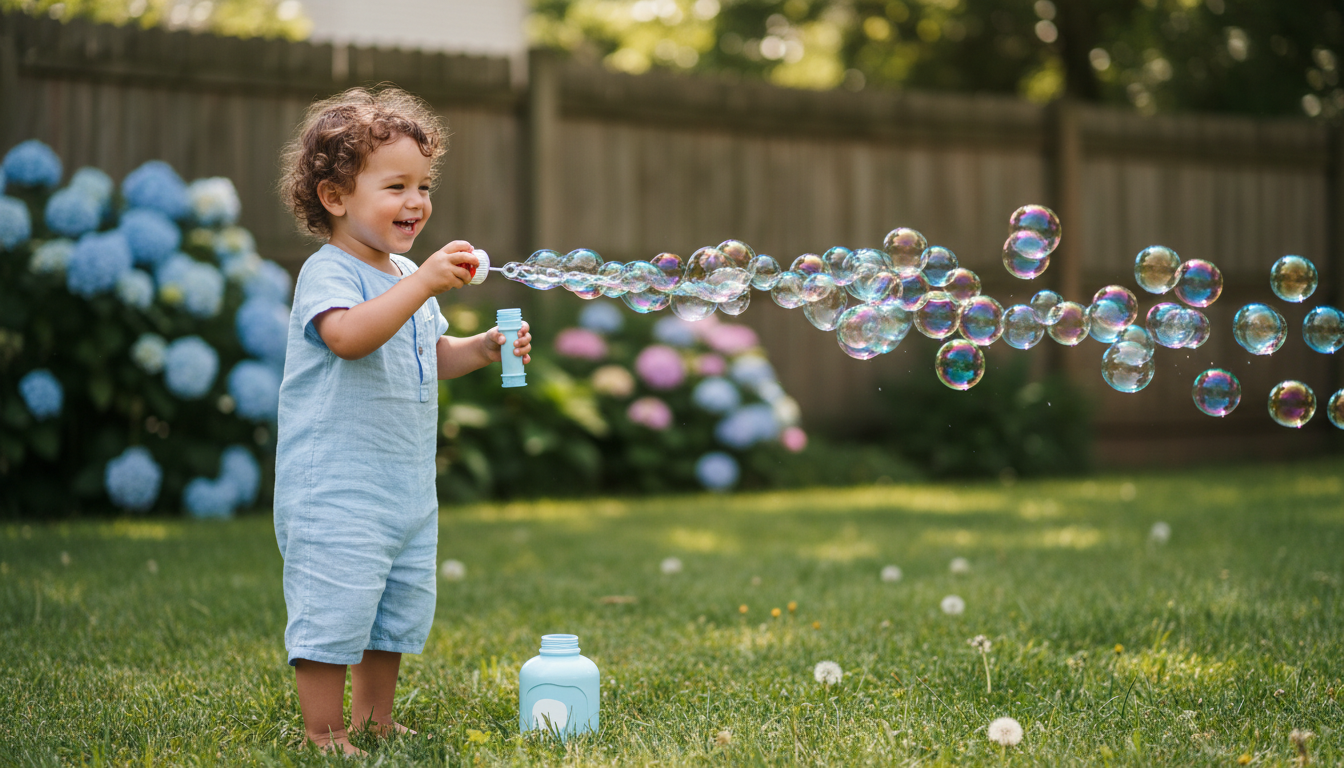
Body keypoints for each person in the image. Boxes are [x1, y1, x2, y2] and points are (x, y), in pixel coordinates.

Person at [274, 86, 531, 755]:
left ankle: (374, 719)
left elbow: (426, 353)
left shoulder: (406, 274)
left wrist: (482, 349)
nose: (416, 201)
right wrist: (420, 284)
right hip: (337, 487)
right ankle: (323, 732)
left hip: (403, 487)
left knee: (391, 608)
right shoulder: (329, 273)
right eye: (396, 186)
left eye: (424, 186)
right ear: (335, 197)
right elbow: (349, 338)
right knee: (336, 605)